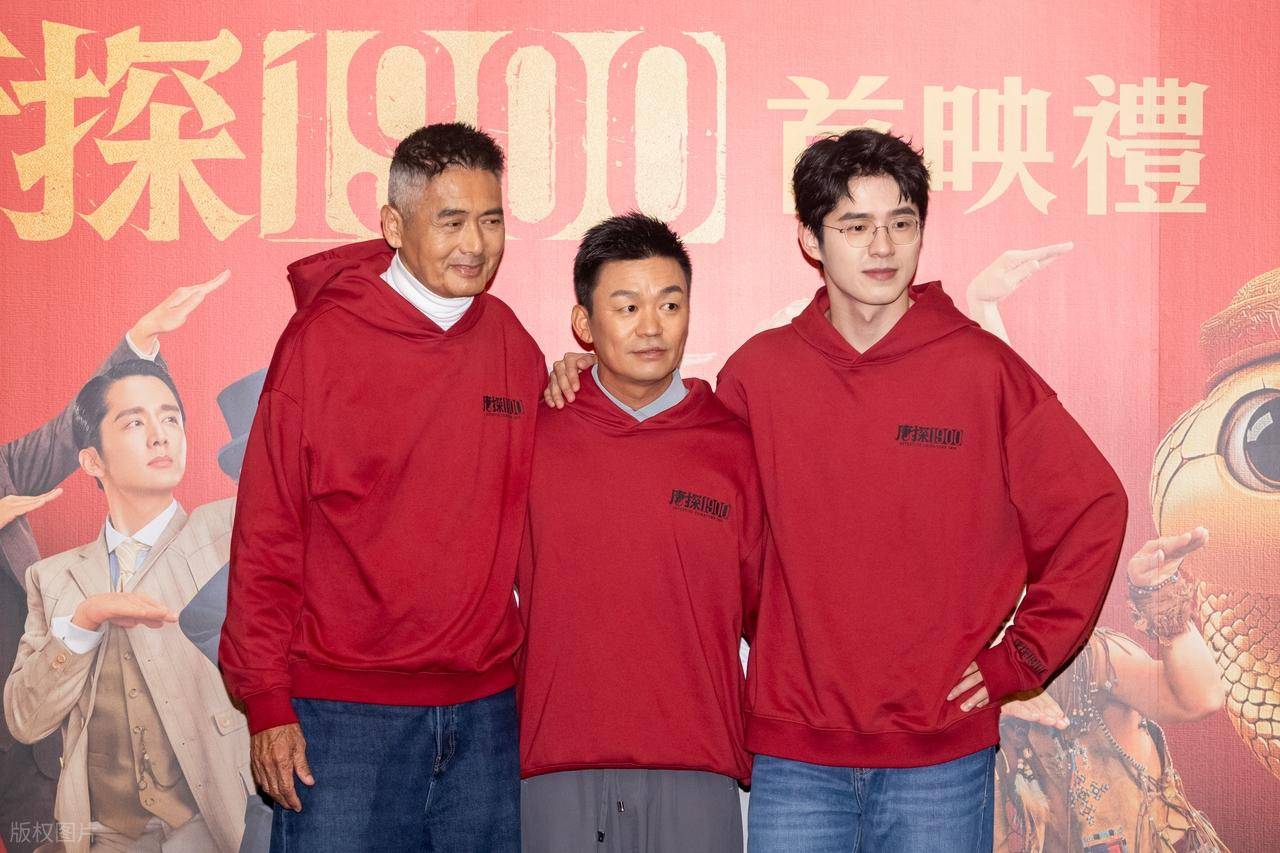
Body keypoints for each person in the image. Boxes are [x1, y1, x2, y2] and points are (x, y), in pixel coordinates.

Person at [547, 128, 1129, 852]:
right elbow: (686, 482)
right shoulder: (758, 375)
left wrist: (1021, 657)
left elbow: (1093, 509)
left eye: (901, 223)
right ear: (811, 239)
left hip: (939, 751)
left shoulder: (984, 370)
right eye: (855, 226)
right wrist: (585, 378)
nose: (882, 246)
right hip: (795, 755)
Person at [220, 122, 544, 853]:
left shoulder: (512, 344)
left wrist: (580, 380)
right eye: (451, 221)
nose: (476, 243)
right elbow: (268, 528)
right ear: (395, 226)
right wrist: (266, 701)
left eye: (491, 220)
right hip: (342, 719)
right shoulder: (322, 342)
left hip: (485, 715)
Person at [518, 213, 766, 853]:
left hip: (697, 768)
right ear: (584, 323)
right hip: (554, 766)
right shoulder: (531, 434)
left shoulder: (735, 447)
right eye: (626, 307)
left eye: (669, 304)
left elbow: (769, 616)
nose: (651, 327)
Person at [0, 274, 224, 853]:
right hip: (56, 785)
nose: (161, 436)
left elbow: (76, 429)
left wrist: (140, 340)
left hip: (207, 817)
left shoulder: (224, 533)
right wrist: (83, 621)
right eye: (140, 424)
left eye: (170, 420)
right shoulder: (56, 581)